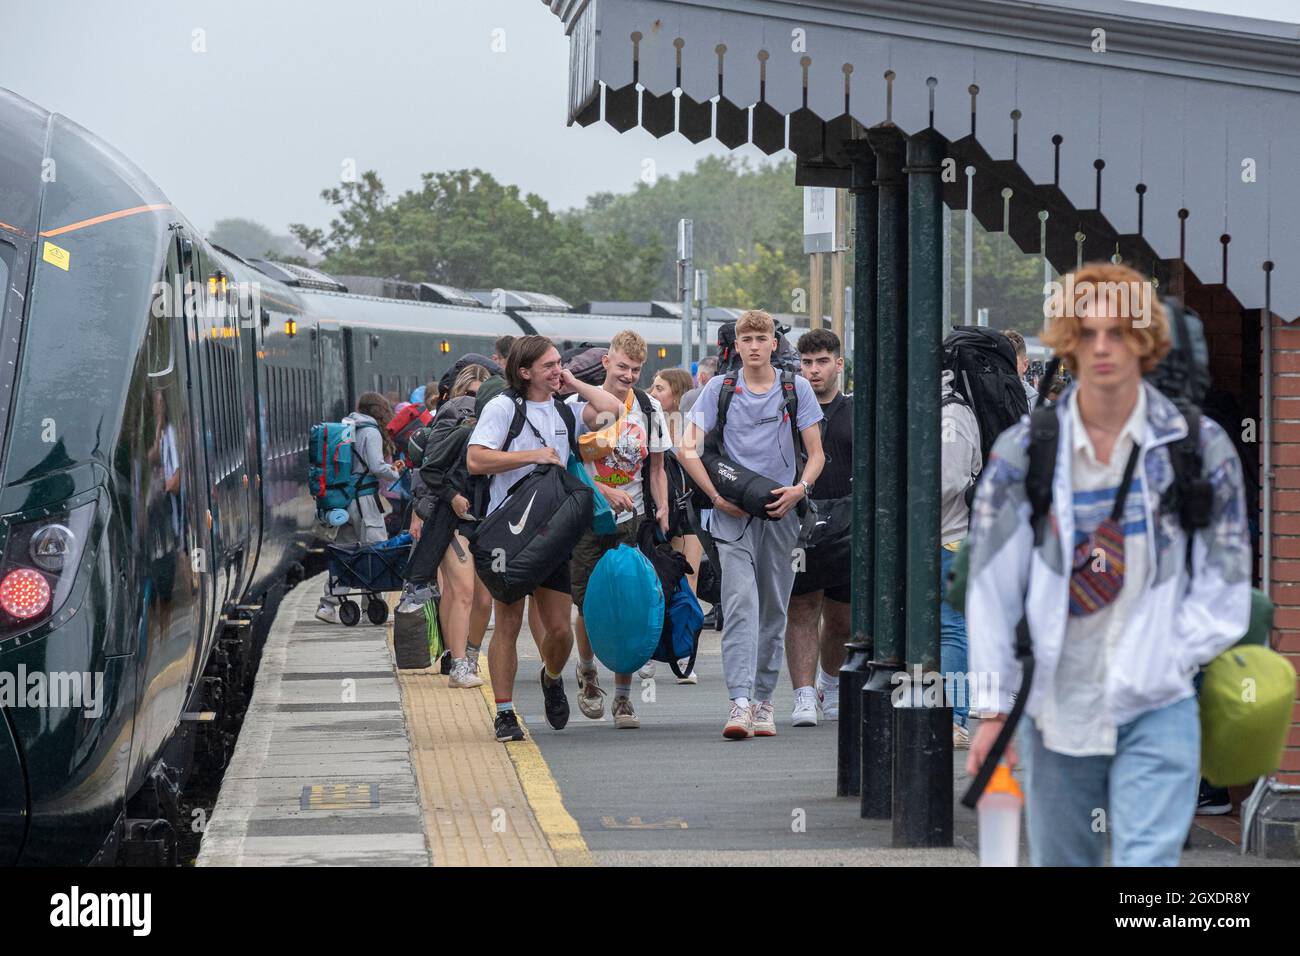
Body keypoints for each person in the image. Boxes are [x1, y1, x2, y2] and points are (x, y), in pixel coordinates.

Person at [965, 262, 1250, 867]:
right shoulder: (1026, 450)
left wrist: (1171, 655)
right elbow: (993, 587)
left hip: (1158, 702)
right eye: (1087, 332)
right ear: (1067, 340)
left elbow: (1226, 577)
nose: (1102, 347)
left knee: (1146, 867)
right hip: (1055, 707)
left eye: (1118, 332)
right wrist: (991, 710)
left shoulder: (1197, 447)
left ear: (1146, 340)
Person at [467, 335, 623, 743]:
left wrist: (573, 383)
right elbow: (476, 458)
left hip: (553, 533)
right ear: (524, 372)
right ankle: (504, 713)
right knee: (508, 623)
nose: (559, 370)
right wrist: (530, 456)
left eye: (560, 363)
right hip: (510, 534)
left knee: (559, 630)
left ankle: (552, 676)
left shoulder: (564, 410)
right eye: (550, 366)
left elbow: (612, 411)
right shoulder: (503, 408)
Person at [678, 309, 825, 739]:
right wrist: (718, 496)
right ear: (737, 346)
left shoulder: (794, 387)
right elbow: (687, 448)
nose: (756, 345)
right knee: (740, 602)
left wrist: (799, 489)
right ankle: (739, 702)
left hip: (781, 511)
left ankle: (764, 703)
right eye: (747, 339)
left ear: (774, 344)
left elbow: (815, 453)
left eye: (762, 338)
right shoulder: (720, 388)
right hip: (732, 514)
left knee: (774, 609)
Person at [568, 331, 672, 729]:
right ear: (606, 361)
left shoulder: (648, 408)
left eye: (636, 369)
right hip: (589, 514)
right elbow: (568, 464)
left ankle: (625, 699)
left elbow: (657, 468)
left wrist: (661, 506)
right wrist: (603, 489)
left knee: (628, 600)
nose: (628, 375)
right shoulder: (579, 405)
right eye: (622, 366)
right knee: (588, 600)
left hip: (633, 516)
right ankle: (588, 672)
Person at [408, 364, 492, 687]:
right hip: (450, 519)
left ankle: (468, 656)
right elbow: (429, 469)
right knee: (462, 592)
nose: (474, 401)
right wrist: (426, 509)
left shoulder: (498, 423)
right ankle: (457, 664)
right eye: (470, 394)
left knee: (484, 600)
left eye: (481, 396)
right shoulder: (450, 418)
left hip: (485, 519)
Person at [785, 329, 852, 726]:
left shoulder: (856, 410)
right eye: (806, 363)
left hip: (846, 520)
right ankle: (804, 695)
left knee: (842, 617)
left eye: (822, 361)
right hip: (800, 523)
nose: (813, 370)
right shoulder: (788, 410)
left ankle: (829, 682)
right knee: (802, 608)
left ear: (838, 364)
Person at [316, 392, 405, 623]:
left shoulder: (348, 427)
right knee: (375, 550)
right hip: (365, 502)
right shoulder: (371, 431)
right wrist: (394, 471)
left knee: (345, 552)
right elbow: (376, 466)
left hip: (345, 500)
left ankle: (327, 605)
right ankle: (369, 606)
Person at [649, 367, 703, 684]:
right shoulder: (646, 422)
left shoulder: (690, 428)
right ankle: (650, 651)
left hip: (688, 511)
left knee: (686, 584)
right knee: (655, 583)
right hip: (657, 511)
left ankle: (685, 653)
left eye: (659, 388)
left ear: (677, 394)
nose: (652, 393)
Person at [940, 360, 982, 747]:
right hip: (930, 537)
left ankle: (955, 718)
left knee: (950, 627)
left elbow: (950, 480)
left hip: (947, 537)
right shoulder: (933, 405)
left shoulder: (950, 411)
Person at [1003, 329, 1039, 406]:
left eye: (1011, 363)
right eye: (1000, 362)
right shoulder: (983, 402)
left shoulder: (1039, 406)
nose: (1004, 368)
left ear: (1025, 365)